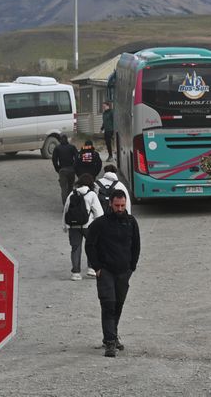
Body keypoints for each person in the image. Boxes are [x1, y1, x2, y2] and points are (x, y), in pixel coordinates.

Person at [85, 190, 140, 357]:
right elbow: (90, 245)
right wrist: (97, 267)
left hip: (124, 271)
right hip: (106, 271)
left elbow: (136, 245)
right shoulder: (100, 224)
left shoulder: (131, 222)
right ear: (111, 204)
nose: (120, 208)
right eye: (117, 205)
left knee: (118, 305)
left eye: (122, 205)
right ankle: (110, 342)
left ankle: (112, 336)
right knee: (108, 304)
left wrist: (132, 266)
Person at [62, 173, 104, 281]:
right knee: (92, 246)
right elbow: (99, 213)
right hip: (88, 225)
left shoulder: (72, 193)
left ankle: (76, 273)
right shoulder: (92, 195)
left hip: (73, 225)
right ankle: (91, 268)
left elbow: (66, 210)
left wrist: (65, 226)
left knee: (75, 248)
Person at [52, 134, 78, 205]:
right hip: (71, 170)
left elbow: (54, 160)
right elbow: (77, 158)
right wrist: (74, 167)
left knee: (64, 189)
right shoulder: (72, 147)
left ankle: (65, 205)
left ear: (60, 140)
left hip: (62, 170)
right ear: (67, 140)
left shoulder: (57, 148)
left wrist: (58, 169)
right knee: (70, 187)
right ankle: (70, 204)